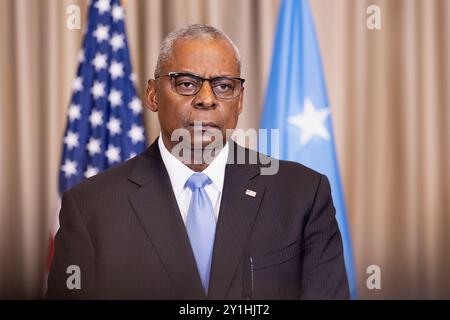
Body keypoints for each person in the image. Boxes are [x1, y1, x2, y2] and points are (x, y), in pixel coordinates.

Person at [46, 24, 349, 299]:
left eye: (224, 86)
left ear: (240, 100)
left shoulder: (303, 195)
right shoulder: (90, 208)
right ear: (152, 95)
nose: (207, 98)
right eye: (187, 83)